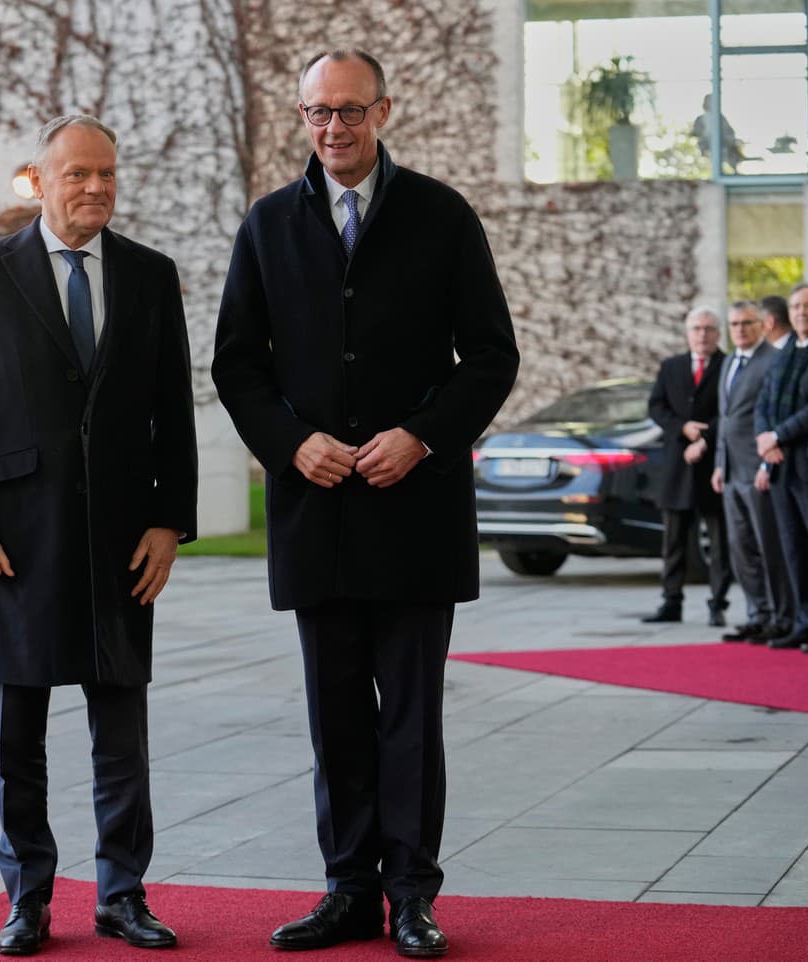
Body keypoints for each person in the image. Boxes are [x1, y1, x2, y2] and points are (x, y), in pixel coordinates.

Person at [212, 49, 518, 958]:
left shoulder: (442, 216)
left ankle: (413, 896)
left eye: (349, 111)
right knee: (336, 719)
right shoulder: (267, 224)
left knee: (411, 722)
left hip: (415, 514)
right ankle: (348, 891)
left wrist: (422, 435)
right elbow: (237, 365)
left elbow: (491, 356)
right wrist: (288, 442)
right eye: (318, 112)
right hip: (318, 515)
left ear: (383, 111)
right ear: (303, 117)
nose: (333, 128)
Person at [0, 114, 198, 955]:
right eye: (78, 174)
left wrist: (169, 520)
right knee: (17, 743)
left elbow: (172, 411)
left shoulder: (151, 275)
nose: (96, 188)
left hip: (122, 543)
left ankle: (122, 896)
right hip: (12, 544)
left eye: (107, 173)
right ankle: (29, 900)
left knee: (123, 740)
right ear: (39, 181)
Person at [755, 283, 808, 652]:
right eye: (796, 307)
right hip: (782, 467)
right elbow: (763, 402)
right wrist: (765, 439)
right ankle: (806, 622)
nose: (802, 312)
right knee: (795, 549)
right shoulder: (782, 355)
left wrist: (778, 435)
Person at [643, 306, 729, 625]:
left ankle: (717, 604)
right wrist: (682, 428)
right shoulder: (671, 366)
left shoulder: (727, 366)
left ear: (717, 334)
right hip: (677, 467)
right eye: (697, 329)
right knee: (674, 541)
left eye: (708, 329)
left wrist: (705, 436)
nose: (702, 335)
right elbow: (656, 407)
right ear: (688, 333)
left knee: (719, 543)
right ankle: (671, 602)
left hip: (714, 465)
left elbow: (732, 412)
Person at [711, 301, 790, 643]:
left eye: (746, 323)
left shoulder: (774, 360)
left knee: (768, 546)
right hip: (731, 471)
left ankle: (779, 616)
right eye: (734, 324)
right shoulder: (729, 361)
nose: (740, 330)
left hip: (759, 470)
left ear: (763, 325)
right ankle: (757, 614)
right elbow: (725, 418)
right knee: (740, 547)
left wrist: (766, 464)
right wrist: (719, 463)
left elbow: (774, 416)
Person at [693, 94, 745, 174]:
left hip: (722, 143)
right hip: (707, 145)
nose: (711, 104)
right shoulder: (700, 119)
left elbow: (729, 131)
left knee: (729, 153)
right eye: (709, 102)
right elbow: (696, 134)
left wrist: (731, 141)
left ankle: (732, 171)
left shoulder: (720, 118)